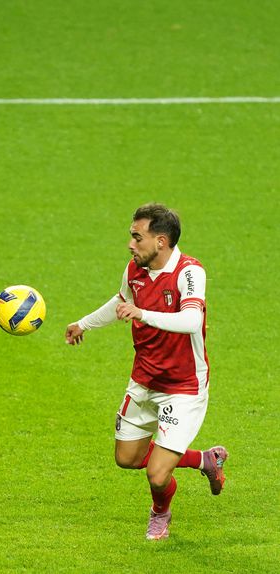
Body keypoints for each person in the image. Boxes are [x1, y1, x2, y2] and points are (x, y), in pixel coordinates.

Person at [65, 203, 228, 541]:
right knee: (126, 458)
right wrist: (84, 323)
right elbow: (120, 301)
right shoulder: (134, 270)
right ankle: (205, 460)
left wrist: (142, 313)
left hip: (182, 388)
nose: (131, 244)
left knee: (157, 475)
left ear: (161, 241)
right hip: (144, 380)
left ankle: (160, 513)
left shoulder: (189, 272)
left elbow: (191, 321)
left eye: (137, 237)